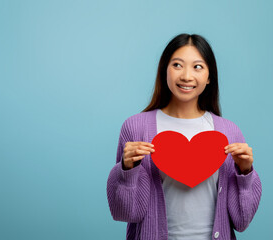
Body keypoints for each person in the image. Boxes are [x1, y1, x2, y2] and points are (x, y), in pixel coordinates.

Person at [106, 33, 262, 240]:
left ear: (209, 77)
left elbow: (242, 221)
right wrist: (127, 170)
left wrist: (246, 173)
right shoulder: (136, 127)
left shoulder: (229, 132)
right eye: (177, 65)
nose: (186, 76)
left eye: (197, 67)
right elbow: (124, 213)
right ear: (164, 71)